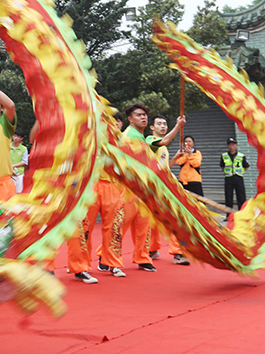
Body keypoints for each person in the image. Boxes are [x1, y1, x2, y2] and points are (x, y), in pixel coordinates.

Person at [71, 113, 126, 284]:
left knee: (114, 227)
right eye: (109, 121)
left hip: (113, 187)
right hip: (90, 186)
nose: (114, 124)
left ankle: (113, 263)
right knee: (83, 227)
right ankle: (80, 268)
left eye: (117, 121)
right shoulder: (90, 138)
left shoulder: (123, 142)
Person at [145, 114, 189, 266]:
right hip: (152, 188)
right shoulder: (150, 140)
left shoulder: (163, 148)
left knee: (172, 219)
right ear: (152, 127)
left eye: (165, 124)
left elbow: (164, 169)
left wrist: (175, 158)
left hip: (164, 188)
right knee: (152, 221)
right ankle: (152, 249)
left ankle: (176, 252)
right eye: (159, 124)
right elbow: (164, 141)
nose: (163, 126)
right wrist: (178, 126)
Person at [119, 103, 157, 272]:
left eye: (144, 115)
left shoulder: (140, 136)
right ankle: (105, 255)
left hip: (142, 187)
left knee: (143, 224)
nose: (143, 117)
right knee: (121, 223)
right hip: (130, 187)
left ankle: (142, 257)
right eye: (138, 115)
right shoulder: (130, 136)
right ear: (130, 119)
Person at [220, 137, 250, 211]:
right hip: (228, 178)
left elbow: (246, 166)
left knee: (241, 196)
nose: (231, 146)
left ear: (236, 146)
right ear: (228, 146)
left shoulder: (241, 156)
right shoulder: (224, 156)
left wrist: (239, 171)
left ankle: (242, 213)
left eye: (233, 145)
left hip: (238, 177)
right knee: (228, 197)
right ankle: (229, 214)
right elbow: (222, 166)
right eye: (230, 145)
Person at [10, 129, 29, 193]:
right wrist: (10, 167)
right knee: (7, 193)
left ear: (21, 138)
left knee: (18, 192)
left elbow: (24, 161)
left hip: (18, 174)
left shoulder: (24, 149)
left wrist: (13, 166)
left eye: (18, 136)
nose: (16, 138)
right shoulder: (7, 146)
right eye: (15, 135)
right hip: (7, 173)